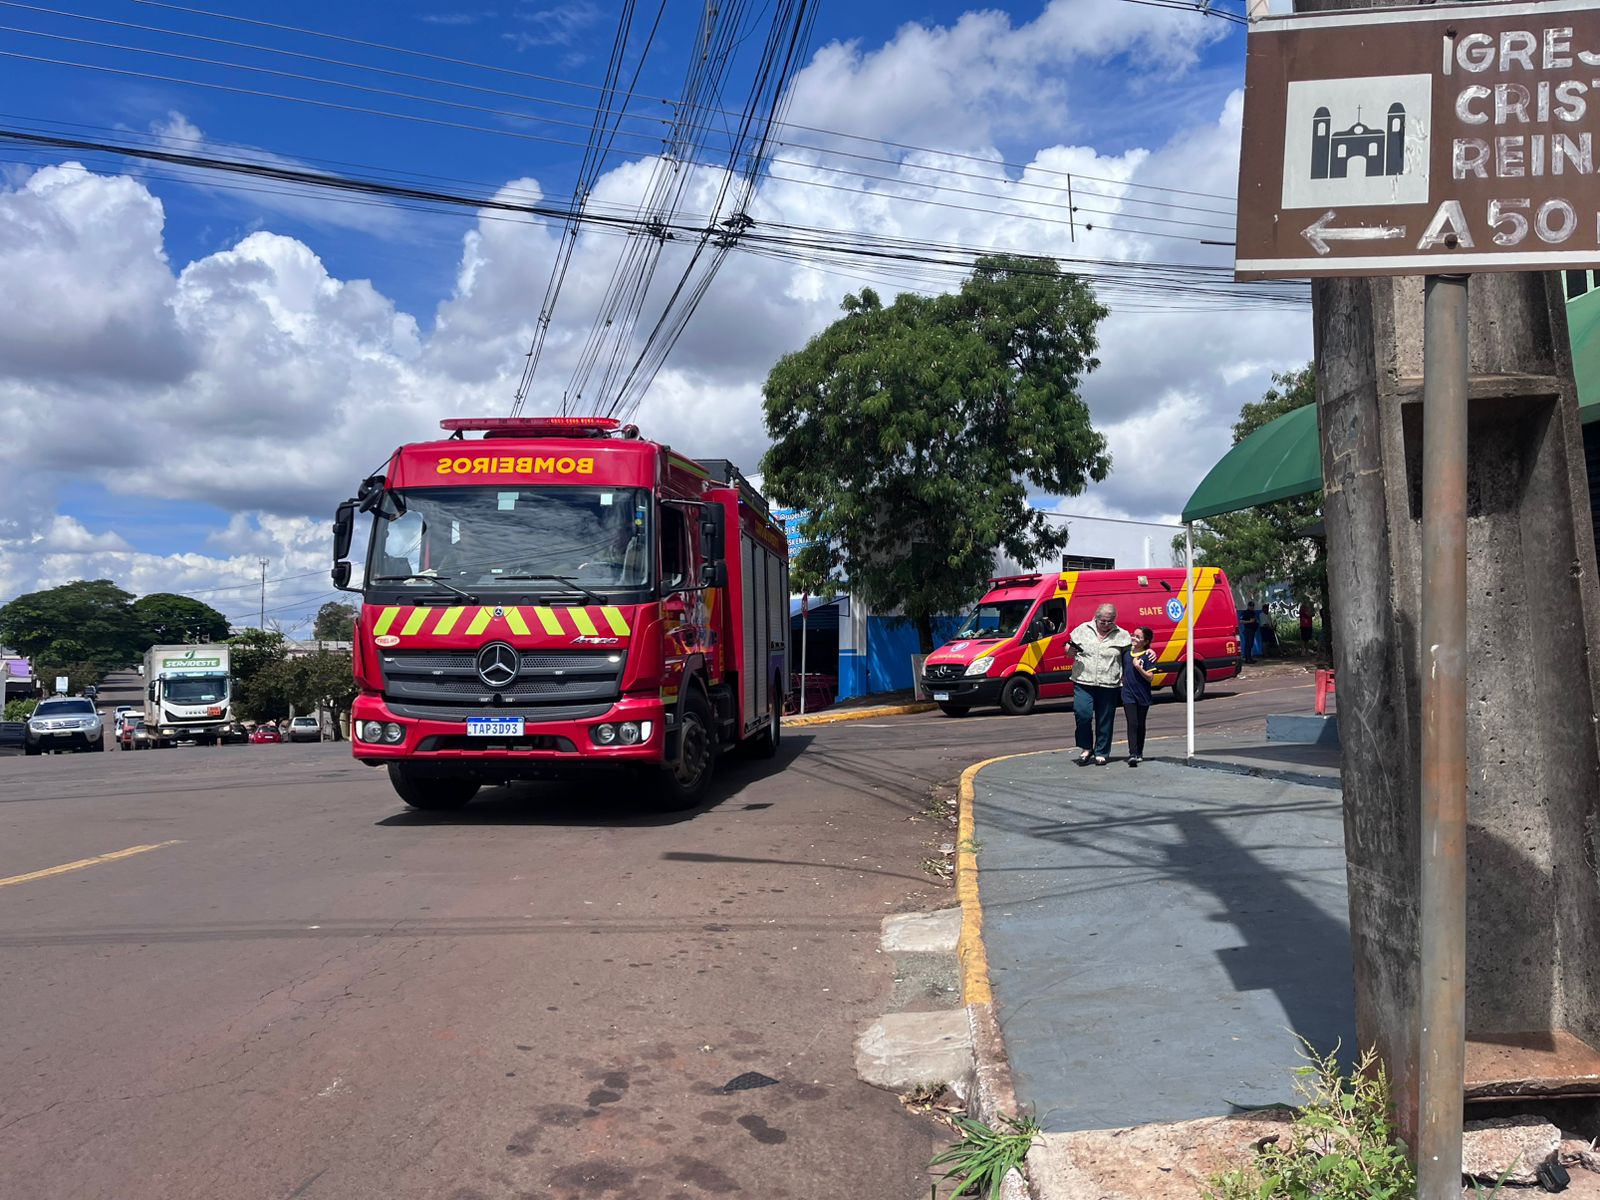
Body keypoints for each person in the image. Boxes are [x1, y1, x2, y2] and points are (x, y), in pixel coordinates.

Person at [1068, 603, 1132, 766]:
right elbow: (1068, 647)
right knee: (1082, 714)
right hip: (1083, 680)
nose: (1105, 625)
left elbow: (1132, 654)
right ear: (1096, 618)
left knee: (1105, 719)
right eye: (1102, 621)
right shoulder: (1082, 629)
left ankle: (1101, 752)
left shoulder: (1122, 635)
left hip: (1108, 683)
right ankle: (1086, 747)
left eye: (1109, 622)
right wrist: (1069, 650)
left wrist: (1149, 652)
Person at [1121, 626, 1157, 767]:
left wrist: (1138, 667)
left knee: (1140, 724)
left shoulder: (1147, 656)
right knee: (1132, 723)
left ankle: (1139, 752)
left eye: (1138, 637)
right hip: (1128, 694)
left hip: (1142, 695)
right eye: (1133, 635)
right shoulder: (1126, 653)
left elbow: (1150, 677)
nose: (1134, 638)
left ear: (1145, 641)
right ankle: (1132, 754)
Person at [1240, 599, 1260, 665]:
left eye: (1253, 606)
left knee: (1250, 644)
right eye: (1251, 606)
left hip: (1252, 630)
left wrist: (1255, 621)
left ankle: (1249, 658)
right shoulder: (1245, 612)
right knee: (1248, 644)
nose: (1252, 607)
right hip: (1248, 630)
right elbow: (1241, 621)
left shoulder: (1253, 612)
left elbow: (1253, 620)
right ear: (1248, 606)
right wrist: (1249, 621)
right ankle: (1247, 659)